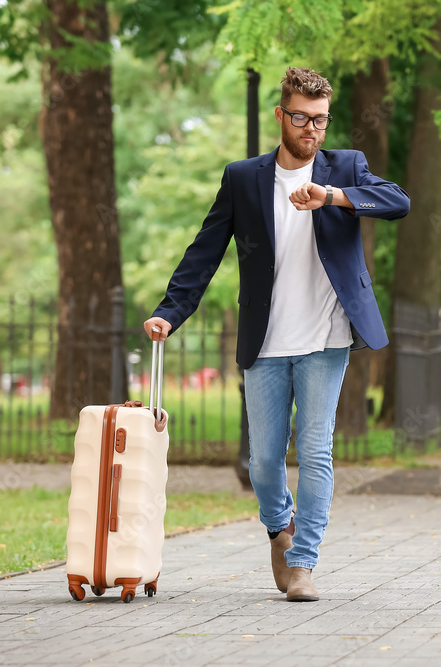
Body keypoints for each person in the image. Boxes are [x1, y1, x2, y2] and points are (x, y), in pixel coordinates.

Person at [143, 67, 410, 602]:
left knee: (314, 452)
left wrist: (333, 196)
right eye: (302, 118)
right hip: (265, 341)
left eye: (321, 120)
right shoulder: (244, 178)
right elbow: (205, 250)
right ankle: (277, 528)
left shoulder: (345, 169)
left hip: (326, 337)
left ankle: (304, 562)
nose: (312, 130)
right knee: (263, 461)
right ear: (280, 116)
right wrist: (171, 311)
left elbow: (398, 202)